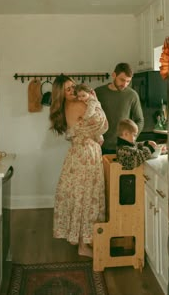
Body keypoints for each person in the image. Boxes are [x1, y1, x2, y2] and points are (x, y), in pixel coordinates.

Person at [49, 75, 108, 258]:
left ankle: (83, 241)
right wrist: (94, 101)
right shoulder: (77, 105)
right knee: (87, 198)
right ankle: (84, 245)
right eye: (68, 90)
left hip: (78, 154)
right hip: (86, 155)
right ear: (62, 94)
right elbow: (103, 125)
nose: (73, 91)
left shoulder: (67, 106)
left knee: (80, 197)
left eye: (73, 87)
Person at [95, 62, 144, 155]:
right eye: (122, 80)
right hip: (101, 146)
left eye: (128, 81)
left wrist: (132, 137)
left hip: (124, 148)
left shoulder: (132, 95)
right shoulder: (99, 93)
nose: (125, 84)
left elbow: (140, 120)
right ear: (114, 75)